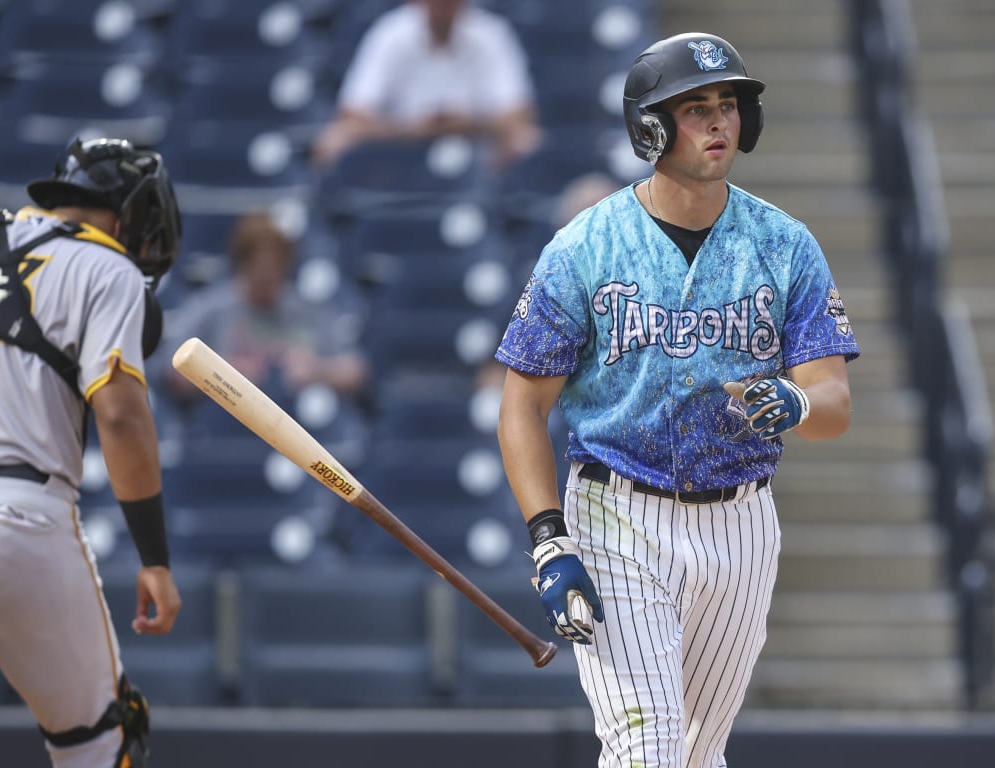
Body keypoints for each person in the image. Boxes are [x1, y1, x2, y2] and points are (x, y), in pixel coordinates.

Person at [495, 33, 859, 766]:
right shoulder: (585, 247)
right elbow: (521, 407)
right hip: (615, 511)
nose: (720, 121)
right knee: (647, 750)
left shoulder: (785, 245)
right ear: (650, 127)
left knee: (695, 755)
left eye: (728, 105)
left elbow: (835, 400)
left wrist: (793, 402)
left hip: (742, 524)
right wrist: (547, 538)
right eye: (697, 109)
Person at [0, 138, 182, 766]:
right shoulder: (109, 270)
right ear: (127, 212)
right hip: (19, 517)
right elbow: (122, 416)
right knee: (100, 738)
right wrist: (154, 557)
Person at [164, 213, 368, 401]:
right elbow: (173, 371)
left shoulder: (307, 309)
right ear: (242, 265)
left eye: (274, 274)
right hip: (231, 421)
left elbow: (355, 371)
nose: (267, 283)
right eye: (259, 274)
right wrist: (224, 374)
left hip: (295, 419)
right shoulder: (210, 309)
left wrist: (318, 370)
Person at [313, 0, 541, 167]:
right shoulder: (390, 33)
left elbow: (519, 114)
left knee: (527, 140)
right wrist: (410, 128)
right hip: (398, 147)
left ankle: (502, 219)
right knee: (334, 140)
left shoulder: (491, 33)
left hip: (478, 149)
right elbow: (353, 113)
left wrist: (467, 123)